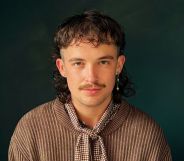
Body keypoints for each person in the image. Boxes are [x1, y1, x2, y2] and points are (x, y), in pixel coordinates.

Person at [8, 10, 172, 161]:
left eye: (103, 62)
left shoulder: (148, 133)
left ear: (118, 65)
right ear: (62, 67)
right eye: (78, 63)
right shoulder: (30, 129)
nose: (91, 77)